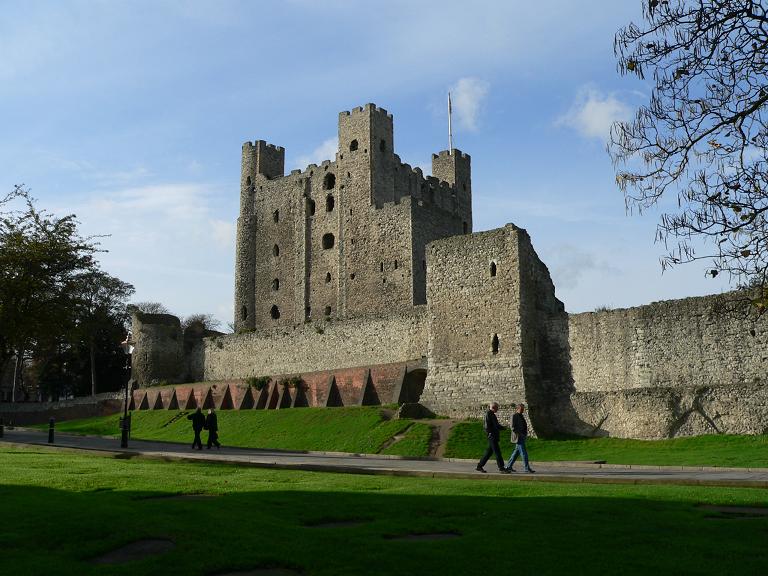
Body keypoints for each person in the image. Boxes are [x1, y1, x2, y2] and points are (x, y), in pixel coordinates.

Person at [476, 401, 509, 473]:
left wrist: (502, 428)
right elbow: (487, 427)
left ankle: (479, 466)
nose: (498, 409)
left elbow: (495, 425)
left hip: (493, 436)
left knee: (488, 453)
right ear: (494, 407)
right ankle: (501, 468)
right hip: (492, 436)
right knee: (497, 452)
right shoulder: (488, 414)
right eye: (497, 408)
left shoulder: (491, 414)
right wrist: (491, 433)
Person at [506, 403, 535, 473]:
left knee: (516, 453)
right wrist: (520, 434)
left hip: (522, 436)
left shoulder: (521, 416)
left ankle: (508, 466)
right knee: (524, 453)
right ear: (518, 409)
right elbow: (513, 427)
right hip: (518, 437)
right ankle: (526, 468)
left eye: (523, 409)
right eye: (521, 409)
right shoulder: (514, 416)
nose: (522, 411)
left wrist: (524, 434)